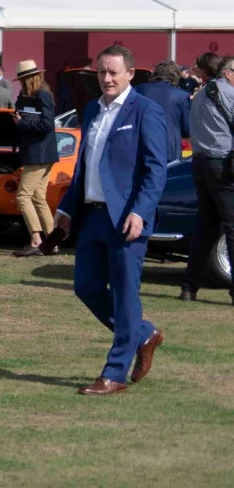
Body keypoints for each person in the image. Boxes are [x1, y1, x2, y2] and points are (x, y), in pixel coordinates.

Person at [53, 44, 170, 396]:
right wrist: (66, 209)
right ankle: (144, 333)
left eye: (114, 72)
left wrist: (140, 211)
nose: (106, 78)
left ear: (130, 74)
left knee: (124, 295)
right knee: (86, 287)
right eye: (102, 72)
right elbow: (84, 167)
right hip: (92, 217)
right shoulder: (91, 110)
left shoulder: (146, 111)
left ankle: (114, 373)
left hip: (127, 220)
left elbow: (156, 170)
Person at [182, 55, 234, 303]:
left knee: (205, 228)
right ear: (228, 73)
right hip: (222, 164)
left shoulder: (200, 94)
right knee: (232, 227)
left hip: (200, 162)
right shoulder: (228, 92)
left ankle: (189, 287)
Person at [10, 59, 59, 257]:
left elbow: (46, 125)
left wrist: (21, 123)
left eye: (22, 80)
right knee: (38, 197)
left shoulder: (42, 95)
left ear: (28, 78)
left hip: (39, 154)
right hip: (41, 154)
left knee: (23, 196)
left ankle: (36, 240)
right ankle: (52, 243)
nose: (21, 84)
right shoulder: (27, 95)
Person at [135, 61, 192, 146]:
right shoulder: (182, 95)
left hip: (142, 145)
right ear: (175, 76)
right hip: (169, 147)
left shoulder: (139, 89)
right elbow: (187, 129)